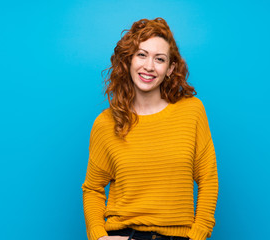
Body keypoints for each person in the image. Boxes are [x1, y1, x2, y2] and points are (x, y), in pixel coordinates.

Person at [82, 17, 218, 240]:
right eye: (142, 55)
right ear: (129, 60)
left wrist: (198, 235)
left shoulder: (192, 111)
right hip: (125, 233)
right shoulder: (106, 123)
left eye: (159, 59)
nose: (148, 66)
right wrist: (98, 236)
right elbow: (93, 188)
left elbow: (208, 178)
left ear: (170, 68)